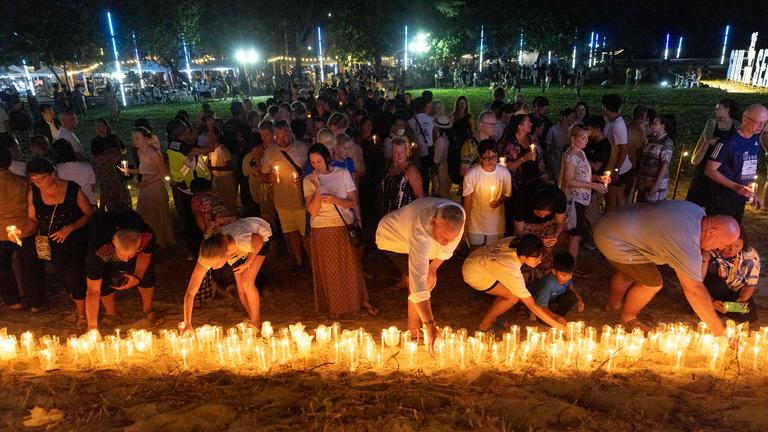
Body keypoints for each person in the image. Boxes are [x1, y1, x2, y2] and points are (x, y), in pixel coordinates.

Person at [596, 200, 739, 335]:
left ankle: (612, 305)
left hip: (613, 221)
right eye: (722, 243)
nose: (721, 248)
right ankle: (628, 318)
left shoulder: (696, 212)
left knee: (630, 272)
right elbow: (693, 289)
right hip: (615, 241)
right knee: (652, 283)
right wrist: (719, 331)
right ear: (711, 232)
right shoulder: (686, 241)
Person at [376, 198, 465, 354]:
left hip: (413, 236)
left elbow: (446, 250)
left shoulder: (458, 216)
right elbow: (418, 283)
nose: (445, 242)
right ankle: (413, 331)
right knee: (417, 280)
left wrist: (433, 268)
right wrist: (430, 325)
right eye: (442, 236)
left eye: (450, 238)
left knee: (423, 274)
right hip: (392, 237)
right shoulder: (421, 230)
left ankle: (404, 278)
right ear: (433, 221)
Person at [304, 144, 376, 318]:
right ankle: (333, 305)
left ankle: (359, 299)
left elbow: (353, 202)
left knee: (350, 266)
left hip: (343, 224)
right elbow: (312, 211)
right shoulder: (309, 180)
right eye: (312, 162)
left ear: (326, 158)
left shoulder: (342, 174)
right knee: (329, 269)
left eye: (319, 161)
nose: (316, 165)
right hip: (321, 228)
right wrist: (317, 188)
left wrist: (335, 199)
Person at [27, 158, 93, 326]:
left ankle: (83, 313)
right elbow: (32, 218)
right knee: (64, 275)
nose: (38, 183)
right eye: (34, 180)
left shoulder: (71, 189)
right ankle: (79, 304)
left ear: (53, 173)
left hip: (74, 240)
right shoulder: (33, 193)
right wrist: (21, 230)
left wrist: (69, 228)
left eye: (41, 178)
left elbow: (88, 213)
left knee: (73, 274)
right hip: (50, 242)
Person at [182, 217, 272, 332]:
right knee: (241, 290)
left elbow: (258, 240)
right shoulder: (206, 256)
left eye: (215, 264)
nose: (213, 268)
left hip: (259, 238)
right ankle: (255, 320)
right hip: (237, 245)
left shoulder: (238, 242)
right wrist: (187, 324)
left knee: (246, 282)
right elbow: (190, 293)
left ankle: (255, 322)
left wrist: (248, 263)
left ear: (224, 255)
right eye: (210, 264)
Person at [462, 235, 567, 332]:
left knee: (508, 291)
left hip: (478, 257)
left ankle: (493, 318)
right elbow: (532, 306)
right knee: (512, 297)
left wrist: (541, 241)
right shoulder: (511, 269)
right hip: (474, 273)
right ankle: (484, 325)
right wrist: (561, 328)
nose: (539, 261)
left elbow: (529, 241)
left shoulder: (516, 242)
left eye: (540, 257)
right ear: (523, 257)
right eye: (536, 258)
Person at [84, 210, 162, 330]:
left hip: (129, 222)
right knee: (101, 277)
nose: (126, 260)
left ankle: (148, 309)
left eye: (130, 256)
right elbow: (93, 290)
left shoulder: (147, 236)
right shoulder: (98, 248)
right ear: (114, 243)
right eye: (122, 255)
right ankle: (110, 312)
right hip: (103, 237)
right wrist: (92, 328)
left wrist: (137, 277)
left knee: (147, 274)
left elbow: (145, 256)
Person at [0, 146, 46, 312]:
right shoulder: (22, 182)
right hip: (25, 228)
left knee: (3, 268)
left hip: (1, 232)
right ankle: (38, 302)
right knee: (31, 266)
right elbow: (33, 206)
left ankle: (13, 301)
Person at [704, 104, 768, 222]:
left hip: (739, 197)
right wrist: (735, 186)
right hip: (721, 197)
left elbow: (747, 168)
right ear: (745, 119)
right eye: (758, 122)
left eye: (765, 122)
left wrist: (752, 193)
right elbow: (709, 170)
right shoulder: (728, 141)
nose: (761, 126)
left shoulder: (755, 140)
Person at [260, 120, 308, 272]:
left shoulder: (303, 148)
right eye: (278, 137)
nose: (281, 139)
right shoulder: (270, 152)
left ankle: (313, 262)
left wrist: (305, 176)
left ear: (290, 133)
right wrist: (270, 179)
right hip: (282, 201)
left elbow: (314, 169)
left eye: (284, 136)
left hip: (301, 200)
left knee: (306, 233)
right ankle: (299, 260)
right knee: (291, 231)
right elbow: (263, 175)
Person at [558, 125, 608, 263]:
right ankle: (570, 267)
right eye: (583, 137)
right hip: (574, 200)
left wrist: (598, 178)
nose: (586, 140)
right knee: (574, 234)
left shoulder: (581, 153)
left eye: (587, 137)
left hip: (581, 199)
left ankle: (566, 261)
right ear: (573, 138)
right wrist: (593, 185)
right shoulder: (572, 156)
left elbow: (581, 176)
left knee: (572, 231)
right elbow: (568, 180)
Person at [687, 99, 741, 208]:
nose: (716, 110)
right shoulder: (711, 122)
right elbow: (707, 139)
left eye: (719, 108)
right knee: (702, 184)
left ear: (727, 110)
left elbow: (738, 140)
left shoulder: (736, 124)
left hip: (723, 160)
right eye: (716, 108)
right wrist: (725, 142)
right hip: (708, 157)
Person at [131, 127, 176, 248]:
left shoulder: (154, 153)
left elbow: (163, 173)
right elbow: (144, 169)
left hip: (155, 187)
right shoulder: (139, 152)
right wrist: (130, 171)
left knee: (156, 214)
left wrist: (145, 184)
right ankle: (149, 239)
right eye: (133, 138)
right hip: (145, 186)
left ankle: (160, 240)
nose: (134, 141)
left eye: (137, 138)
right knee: (145, 213)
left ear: (146, 138)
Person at [462, 139, 511, 248]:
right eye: (486, 158)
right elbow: (468, 200)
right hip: (476, 220)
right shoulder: (472, 174)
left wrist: (500, 200)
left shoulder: (504, 173)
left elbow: (507, 194)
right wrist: (465, 224)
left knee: (493, 253)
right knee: (475, 252)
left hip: (496, 222)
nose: (491, 161)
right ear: (480, 157)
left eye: (494, 157)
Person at [703, 228, 759, 323]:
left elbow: (750, 284)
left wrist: (741, 301)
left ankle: (720, 309)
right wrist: (711, 302)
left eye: (737, 246)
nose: (732, 250)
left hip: (734, 293)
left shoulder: (750, 256)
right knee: (715, 283)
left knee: (749, 311)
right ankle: (711, 307)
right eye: (728, 245)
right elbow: (697, 282)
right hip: (712, 289)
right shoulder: (709, 251)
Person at [512, 180, 566, 271]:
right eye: (539, 213)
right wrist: (538, 241)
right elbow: (519, 232)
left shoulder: (559, 198)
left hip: (548, 225)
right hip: (527, 227)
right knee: (528, 254)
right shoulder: (522, 201)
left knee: (545, 255)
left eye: (546, 214)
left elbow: (559, 223)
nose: (543, 216)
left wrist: (555, 235)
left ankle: (542, 274)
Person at [529, 252, 584, 324]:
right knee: (548, 322)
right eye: (563, 275)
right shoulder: (547, 284)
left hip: (550, 300)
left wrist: (579, 298)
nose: (567, 278)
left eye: (570, 274)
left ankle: (558, 317)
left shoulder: (567, 277)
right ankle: (546, 319)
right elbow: (541, 307)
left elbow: (570, 287)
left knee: (571, 296)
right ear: (554, 271)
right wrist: (556, 318)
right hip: (536, 304)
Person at [90, 119, 131, 211]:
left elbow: (124, 150)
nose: (100, 128)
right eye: (98, 126)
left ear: (106, 126)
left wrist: (116, 154)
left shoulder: (114, 137)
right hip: (107, 172)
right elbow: (96, 157)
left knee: (123, 191)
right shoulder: (95, 141)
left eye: (102, 125)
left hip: (119, 168)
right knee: (110, 194)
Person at [242, 120, 276, 228]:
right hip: (266, 188)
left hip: (280, 185)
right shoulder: (258, 150)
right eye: (262, 135)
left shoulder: (280, 146)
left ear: (273, 132)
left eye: (267, 134)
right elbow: (257, 169)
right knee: (269, 215)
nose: (264, 137)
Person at [601, 94, 632, 211]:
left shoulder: (619, 125)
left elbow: (624, 150)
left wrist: (616, 171)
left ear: (604, 107)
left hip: (620, 167)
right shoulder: (610, 120)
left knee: (611, 199)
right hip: (615, 165)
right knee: (619, 197)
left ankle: (612, 223)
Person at [635, 115, 675, 202]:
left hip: (655, 183)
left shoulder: (667, 142)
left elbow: (665, 164)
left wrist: (657, 185)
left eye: (655, 123)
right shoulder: (652, 139)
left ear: (662, 126)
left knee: (652, 211)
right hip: (644, 182)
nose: (652, 125)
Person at [500, 114, 542, 195]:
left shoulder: (530, 138)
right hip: (519, 185)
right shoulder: (511, 144)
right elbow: (507, 166)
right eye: (528, 122)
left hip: (533, 181)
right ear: (520, 126)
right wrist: (523, 159)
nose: (531, 124)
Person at [380, 137, 423, 215]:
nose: (399, 155)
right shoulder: (389, 165)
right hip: (387, 214)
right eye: (396, 152)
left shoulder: (411, 170)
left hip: (403, 216)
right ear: (392, 153)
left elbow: (420, 197)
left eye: (402, 152)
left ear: (406, 152)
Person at [51, 139, 97, 206]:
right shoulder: (87, 166)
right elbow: (92, 186)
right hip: (89, 202)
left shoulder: (55, 170)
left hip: (69, 207)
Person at [207, 127, 238, 214]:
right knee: (219, 202)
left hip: (226, 179)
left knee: (229, 201)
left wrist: (213, 168)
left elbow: (229, 166)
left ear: (217, 136)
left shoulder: (223, 149)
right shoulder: (210, 150)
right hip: (217, 178)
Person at [545, 108, 577, 182]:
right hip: (556, 162)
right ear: (564, 117)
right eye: (571, 117)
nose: (573, 119)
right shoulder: (553, 129)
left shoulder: (575, 130)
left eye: (575, 117)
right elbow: (548, 148)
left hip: (570, 163)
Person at [625, 105, 649, 203]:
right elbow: (641, 150)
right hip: (633, 167)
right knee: (628, 195)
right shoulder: (638, 131)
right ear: (644, 116)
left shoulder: (626, 127)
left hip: (623, 165)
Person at [432, 114, 453, 198]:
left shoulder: (440, 140)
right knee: (447, 192)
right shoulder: (450, 138)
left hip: (442, 170)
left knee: (443, 194)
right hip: (450, 169)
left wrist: (434, 171)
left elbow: (437, 159)